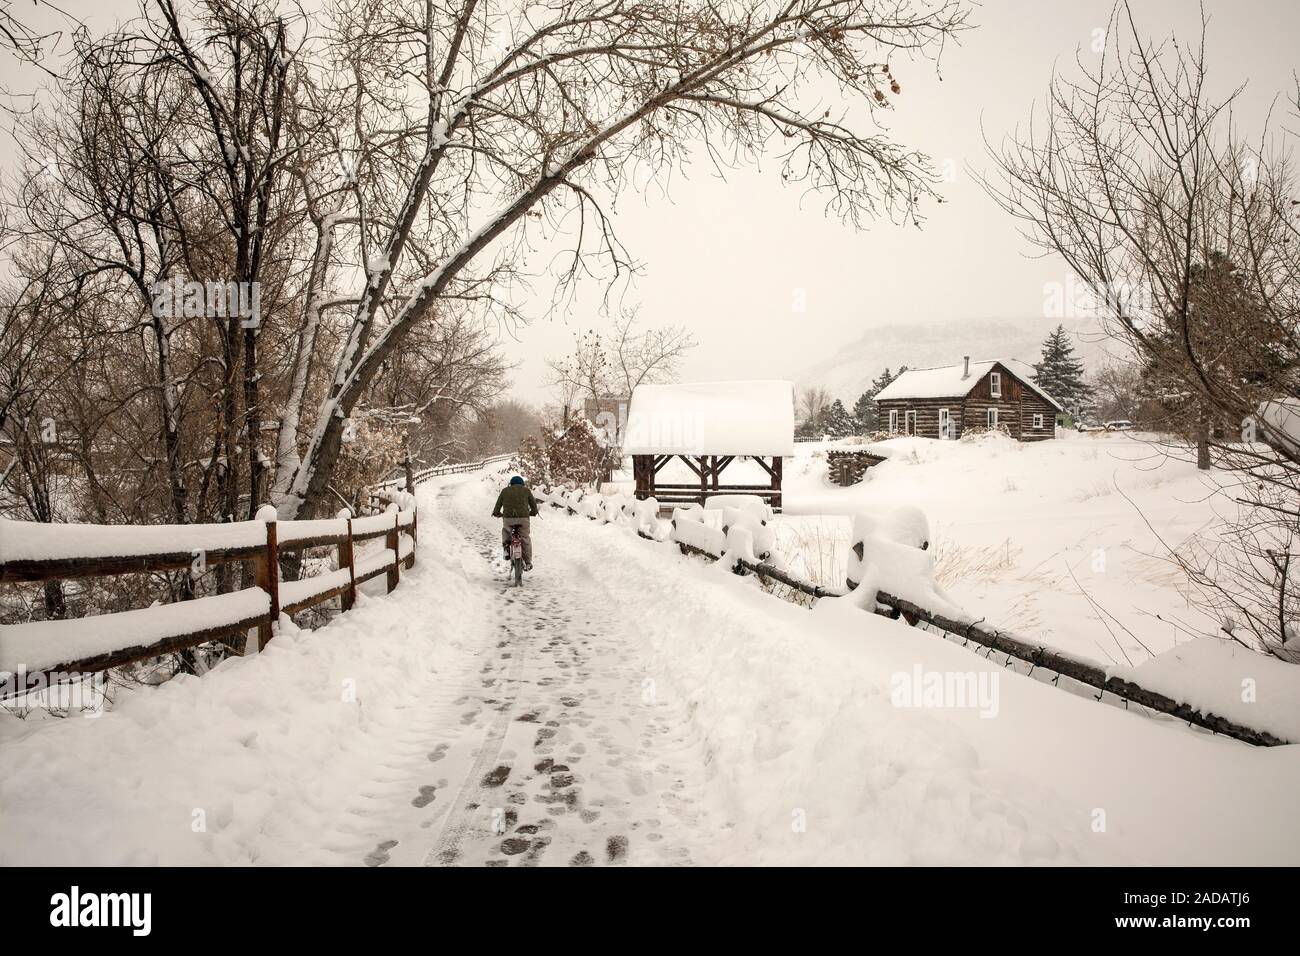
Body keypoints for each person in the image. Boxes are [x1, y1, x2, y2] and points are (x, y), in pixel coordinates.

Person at [492, 475, 538, 569]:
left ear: (511, 484)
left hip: (508, 518)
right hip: (523, 519)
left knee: (506, 531)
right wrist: (532, 513)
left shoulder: (505, 491)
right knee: (525, 539)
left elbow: (498, 506)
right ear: (522, 484)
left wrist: (497, 513)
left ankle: (506, 548)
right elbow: (534, 506)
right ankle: (528, 562)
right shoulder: (526, 491)